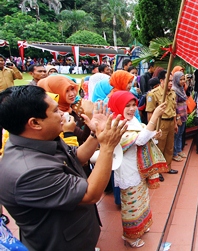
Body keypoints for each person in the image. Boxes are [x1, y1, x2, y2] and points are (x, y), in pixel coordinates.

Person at [0, 85, 127, 250]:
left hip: (77, 232)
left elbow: (76, 156)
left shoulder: (36, 139)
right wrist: (107, 147)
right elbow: (90, 194)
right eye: (55, 111)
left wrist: (96, 134)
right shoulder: (28, 172)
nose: (63, 114)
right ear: (35, 123)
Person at [108, 91, 168, 247]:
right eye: (127, 105)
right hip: (128, 172)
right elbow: (140, 140)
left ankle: (141, 226)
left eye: (133, 105)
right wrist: (154, 117)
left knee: (142, 201)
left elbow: (142, 135)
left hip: (139, 169)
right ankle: (130, 236)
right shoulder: (116, 124)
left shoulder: (133, 120)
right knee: (131, 206)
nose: (131, 108)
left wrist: (153, 134)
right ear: (118, 106)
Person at [146, 70, 178, 180]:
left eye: (172, 81)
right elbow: (150, 113)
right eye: (168, 80)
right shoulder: (153, 94)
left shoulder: (172, 93)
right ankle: (157, 171)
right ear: (161, 81)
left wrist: (175, 124)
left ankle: (167, 167)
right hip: (161, 123)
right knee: (159, 147)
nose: (171, 83)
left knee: (169, 147)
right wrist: (152, 128)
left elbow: (173, 109)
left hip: (170, 122)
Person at [172, 71, 188, 161]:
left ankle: (179, 150)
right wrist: (177, 117)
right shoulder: (174, 90)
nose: (182, 81)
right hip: (179, 116)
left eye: (183, 79)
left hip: (184, 115)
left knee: (180, 134)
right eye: (180, 79)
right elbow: (174, 105)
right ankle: (174, 153)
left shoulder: (181, 89)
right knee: (176, 135)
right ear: (176, 79)